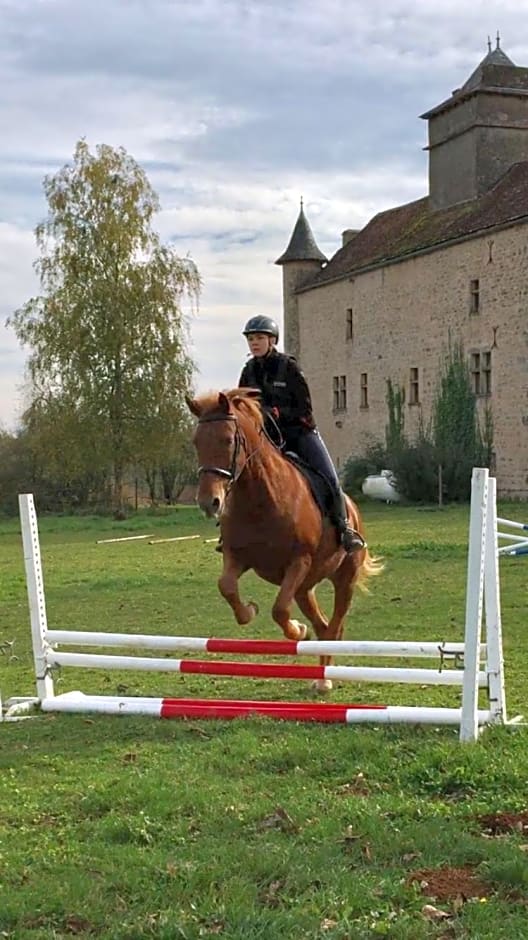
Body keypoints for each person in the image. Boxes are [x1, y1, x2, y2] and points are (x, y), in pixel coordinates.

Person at [236, 315, 366, 553]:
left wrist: (277, 413)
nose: (255, 343)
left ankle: (345, 528)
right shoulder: (248, 371)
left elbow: (304, 409)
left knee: (330, 478)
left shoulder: (289, 367)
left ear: (272, 340)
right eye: (251, 339)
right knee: (241, 475)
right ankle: (234, 533)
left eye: (260, 338)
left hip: (300, 433)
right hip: (268, 439)